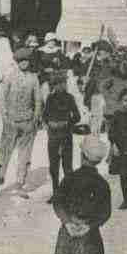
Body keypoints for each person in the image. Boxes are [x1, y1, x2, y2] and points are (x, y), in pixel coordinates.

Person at [52, 136, 112, 254]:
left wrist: (67, 221)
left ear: (82, 155)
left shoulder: (70, 179)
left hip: (67, 234)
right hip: (90, 236)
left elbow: (58, 203)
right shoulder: (102, 184)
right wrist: (89, 225)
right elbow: (105, 213)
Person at [0, 47, 42, 198]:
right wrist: (5, 117)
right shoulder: (9, 77)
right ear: (16, 62)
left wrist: (35, 118)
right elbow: (2, 99)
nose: (24, 64)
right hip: (11, 121)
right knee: (4, 152)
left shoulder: (34, 78)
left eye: (26, 61)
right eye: (21, 61)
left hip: (27, 121)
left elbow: (38, 100)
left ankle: (20, 184)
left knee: (25, 155)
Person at [43, 71, 81, 204]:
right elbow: (45, 116)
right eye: (58, 84)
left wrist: (67, 122)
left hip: (66, 135)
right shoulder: (50, 99)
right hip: (53, 136)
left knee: (67, 166)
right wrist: (50, 123)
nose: (61, 86)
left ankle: (68, 194)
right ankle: (56, 193)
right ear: (54, 85)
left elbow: (77, 116)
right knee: (53, 167)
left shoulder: (70, 98)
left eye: (63, 83)